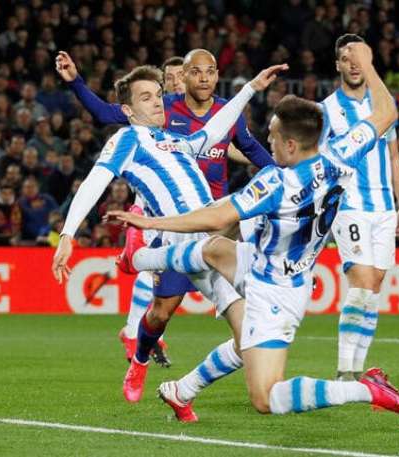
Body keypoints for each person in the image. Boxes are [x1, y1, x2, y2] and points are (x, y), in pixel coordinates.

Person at [108, 43, 399, 423]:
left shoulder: (278, 184)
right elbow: (386, 112)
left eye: (272, 136)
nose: (266, 143)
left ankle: (365, 388)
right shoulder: (338, 154)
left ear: (290, 145)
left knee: (266, 396)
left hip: (272, 293)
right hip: (269, 264)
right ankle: (140, 270)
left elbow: (214, 215)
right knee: (211, 250)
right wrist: (370, 67)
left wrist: (153, 222)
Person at [51, 62, 287, 403]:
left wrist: (251, 86)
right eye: (146, 98)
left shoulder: (180, 142)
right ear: (129, 110)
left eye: (159, 95)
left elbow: (217, 128)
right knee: (159, 314)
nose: (157, 102)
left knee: (247, 334)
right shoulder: (127, 140)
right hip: (180, 241)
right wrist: (67, 235)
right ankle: (141, 358)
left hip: (211, 239)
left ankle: (183, 389)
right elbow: (93, 183)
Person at [318, 34, 399, 380]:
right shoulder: (327, 110)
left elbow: (394, 156)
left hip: (384, 207)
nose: (354, 63)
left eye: (360, 56)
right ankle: (344, 369)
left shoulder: (381, 104)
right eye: (347, 57)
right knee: (361, 283)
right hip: (350, 206)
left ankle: (357, 369)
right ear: (338, 64)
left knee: (373, 289)